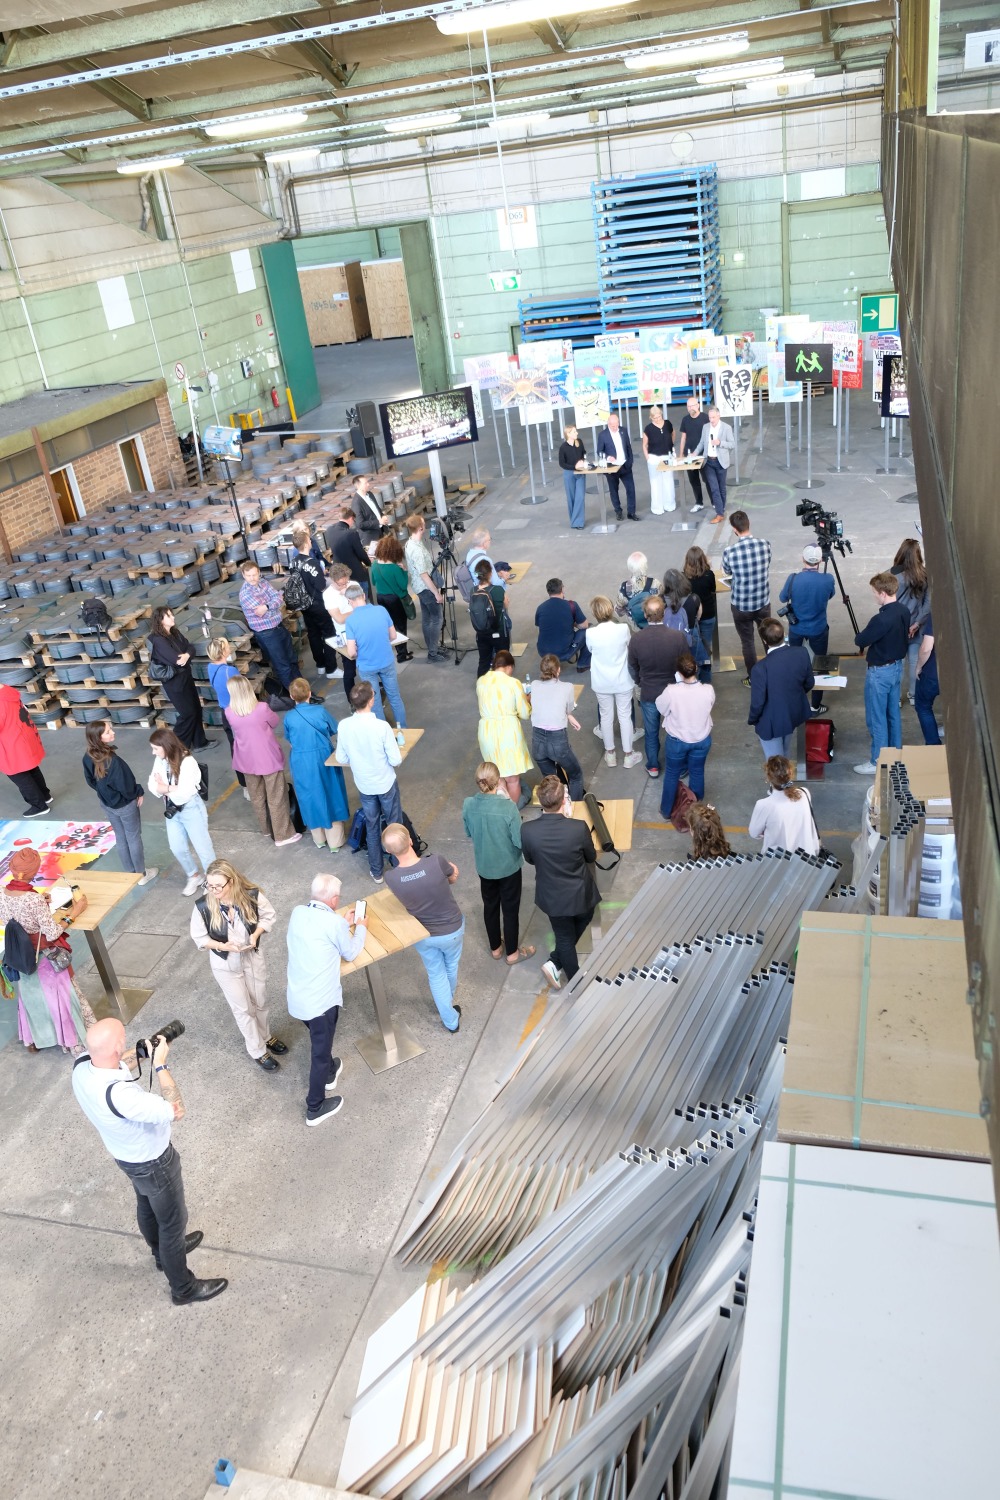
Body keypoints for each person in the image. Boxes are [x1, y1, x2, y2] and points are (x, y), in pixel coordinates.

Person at [71, 1017, 227, 1304]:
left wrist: (141, 1052)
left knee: (146, 1203)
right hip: (155, 1163)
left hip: (126, 1157)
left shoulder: (82, 1066)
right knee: (172, 1223)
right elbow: (176, 1109)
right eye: (125, 1039)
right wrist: (160, 1065)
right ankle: (184, 1288)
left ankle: (161, 1255)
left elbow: (117, 1061)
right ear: (117, 1047)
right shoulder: (124, 1096)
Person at [286, 872, 366, 1126]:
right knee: (318, 1055)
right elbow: (351, 952)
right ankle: (315, 1107)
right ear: (333, 899)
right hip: (320, 1004)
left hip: (297, 999)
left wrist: (342, 922)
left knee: (322, 1045)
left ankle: (331, 1071)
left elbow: (320, 932)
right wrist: (360, 927)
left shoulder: (298, 913)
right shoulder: (334, 925)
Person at [190, 859, 284, 1071]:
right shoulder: (203, 907)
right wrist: (223, 946)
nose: (213, 890)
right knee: (243, 1009)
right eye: (209, 885)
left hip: (251, 957)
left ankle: (266, 1036)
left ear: (231, 882)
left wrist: (256, 934)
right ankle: (257, 1050)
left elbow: (269, 916)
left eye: (218, 886)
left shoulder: (251, 896)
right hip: (225, 964)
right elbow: (200, 937)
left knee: (260, 1001)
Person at [0, 846, 92, 1052]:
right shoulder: (33, 899)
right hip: (42, 955)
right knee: (58, 994)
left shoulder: (2, 892)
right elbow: (51, 933)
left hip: (19, 955)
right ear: (34, 872)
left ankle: (35, 1039)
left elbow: (14, 915)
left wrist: (41, 903)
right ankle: (70, 1039)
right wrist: (75, 911)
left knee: (31, 997)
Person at [382, 823, 464, 1032]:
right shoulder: (436, 862)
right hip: (452, 928)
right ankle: (447, 1005)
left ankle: (450, 1019)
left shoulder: (391, 878)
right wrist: (451, 871)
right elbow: (452, 877)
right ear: (410, 840)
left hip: (422, 934)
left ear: (388, 851)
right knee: (451, 966)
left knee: (435, 973)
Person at [521, 774, 600, 988]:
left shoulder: (528, 831)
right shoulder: (577, 827)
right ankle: (576, 983)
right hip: (579, 892)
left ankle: (556, 960)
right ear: (564, 801)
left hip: (551, 896)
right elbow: (591, 857)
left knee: (564, 935)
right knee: (575, 928)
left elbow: (529, 859)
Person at [462, 762, 533, 965]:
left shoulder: (468, 804)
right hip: (508, 867)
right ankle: (512, 953)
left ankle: (495, 948)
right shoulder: (508, 807)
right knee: (510, 910)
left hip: (485, 867)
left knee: (490, 906)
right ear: (498, 781)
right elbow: (519, 841)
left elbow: (468, 832)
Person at [334, 679, 403, 884]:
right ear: (371, 701)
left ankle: (377, 871)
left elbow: (341, 758)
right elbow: (395, 760)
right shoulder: (381, 727)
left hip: (365, 786)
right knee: (394, 824)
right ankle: (399, 865)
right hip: (385, 784)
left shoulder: (345, 726)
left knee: (372, 827)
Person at [225, 675, 301, 847]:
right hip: (267, 758)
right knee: (276, 796)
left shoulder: (229, 712)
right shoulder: (261, 708)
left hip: (245, 759)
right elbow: (274, 722)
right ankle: (282, 834)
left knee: (257, 797)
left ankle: (266, 829)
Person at [82, 721, 157, 884]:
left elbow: (90, 780)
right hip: (125, 805)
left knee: (121, 837)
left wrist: (104, 793)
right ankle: (141, 875)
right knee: (133, 837)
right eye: (108, 732)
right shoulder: (113, 762)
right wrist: (138, 792)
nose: (113, 733)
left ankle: (130, 873)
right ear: (98, 737)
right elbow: (127, 786)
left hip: (107, 804)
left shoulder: (88, 756)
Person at [853, 571, 911, 775]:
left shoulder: (881, 620)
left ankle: (877, 759)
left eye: (874, 592)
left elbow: (860, 640)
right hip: (897, 668)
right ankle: (895, 754)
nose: (873, 595)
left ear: (883, 593)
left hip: (880, 673)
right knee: (892, 714)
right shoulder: (903, 611)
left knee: (877, 718)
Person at [147, 728, 216, 895]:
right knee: (177, 847)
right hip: (172, 810)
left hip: (191, 809)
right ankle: (193, 875)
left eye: (156, 748)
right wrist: (170, 788)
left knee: (203, 848)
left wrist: (164, 787)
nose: (153, 752)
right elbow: (151, 785)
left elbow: (185, 794)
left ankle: (213, 880)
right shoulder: (160, 760)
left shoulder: (188, 761)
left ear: (166, 746)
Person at [283, 678, 349, 851]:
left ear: (291, 696)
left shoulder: (289, 717)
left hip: (300, 760)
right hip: (323, 757)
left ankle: (318, 839)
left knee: (309, 796)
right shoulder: (320, 711)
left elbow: (290, 741)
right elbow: (335, 729)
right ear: (310, 694)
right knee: (330, 793)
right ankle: (335, 841)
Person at [627, 595, 687, 777]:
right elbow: (686, 665)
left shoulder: (637, 640)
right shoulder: (677, 638)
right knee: (675, 731)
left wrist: (640, 681)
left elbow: (632, 667)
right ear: (663, 613)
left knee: (651, 732)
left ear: (645, 615)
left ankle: (653, 765)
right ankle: (678, 766)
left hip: (649, 693)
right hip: (673, 693)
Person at [656, 652, 715, 820]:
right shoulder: (707, 690)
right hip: (701, 739)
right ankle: (696, 814)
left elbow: (661, 708)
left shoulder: (671, 691)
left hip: (677, 741)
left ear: (678, 673)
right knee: (697, 772)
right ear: (696, 669)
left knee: (672, 774)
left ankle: (667, 811)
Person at [779, 545, 836, 713]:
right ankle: (815, 705)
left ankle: (795, 700)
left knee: (795, 665)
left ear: (803, 560)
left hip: (797, 628)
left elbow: (783, 598)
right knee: (819, 665)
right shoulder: (828, 579)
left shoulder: (793, 578)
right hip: (818, 628)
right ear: (820, 560)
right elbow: (830, 595)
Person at [586, 595, 642, 768]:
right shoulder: (623, 629)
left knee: (606, 717)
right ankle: (628, 755)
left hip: (601, 681)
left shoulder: (590, 633)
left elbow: (590, 650)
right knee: (625, 716)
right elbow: (630, 646)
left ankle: (610, 754)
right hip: (622, 680)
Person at [342, 584, 408, 728]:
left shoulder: (351, 621)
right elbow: (393, 635)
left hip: (367, 666)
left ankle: (382, 733)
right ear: (364, 596)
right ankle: (403, 730)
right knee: (395, 698)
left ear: (350, 601)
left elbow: (352, 652)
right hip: (386, 661)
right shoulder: (381, 610)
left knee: (375, 701)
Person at [747, 618, 815, 759]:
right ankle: (786, 779)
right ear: (783, 634)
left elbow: (758, 703)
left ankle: (782, 781)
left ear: (765, 641)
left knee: (775, 763)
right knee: (785, 752)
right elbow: (809, 682)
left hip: (771, 721)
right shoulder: (801, 653)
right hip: (792, 713)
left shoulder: (760, 668)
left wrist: (753, 719)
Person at [147, 606, 211, 751]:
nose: (173, 617)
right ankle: (174, 747)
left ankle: (200, 742)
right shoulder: (158, 641)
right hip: (175, 683)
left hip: (186, 677)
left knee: (195, 709)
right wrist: (186, 656)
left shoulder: (174, 633)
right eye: (169, 616)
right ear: (160, 620)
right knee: (187, 714)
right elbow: (176, 660)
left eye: (171, 615)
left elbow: (190, 647)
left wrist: (187, 655)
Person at [476, 650, 533, 807]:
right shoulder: (513, 683)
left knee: (498, 775)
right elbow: (524, 713)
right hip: (507, 732)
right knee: (513, 779)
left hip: (486, 732)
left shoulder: (481, 681)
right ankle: (512, 812)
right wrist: (528, 701)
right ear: (509, 667)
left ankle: (500, 808)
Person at [722, 511, 772, 684]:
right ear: (748, 524)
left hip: (741, 606)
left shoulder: (730, 551)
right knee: (768, 637)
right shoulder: (765, 545)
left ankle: (753, 678)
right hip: (762, 602)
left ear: (735, 530)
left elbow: (727, 572)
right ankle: (774, 672)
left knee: (747, 642)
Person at [528, 654, 585, 802]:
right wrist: (569, 716)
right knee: (576, 775)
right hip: (558, 742)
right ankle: (574, 810)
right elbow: (569, 708)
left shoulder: (534, 685)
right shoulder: (567, 687)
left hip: (537, 744)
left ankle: (558, 806)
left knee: (553, 782)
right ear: (558, 670)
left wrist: (568, 717)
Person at [289, 521, 339, 677]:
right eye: (309, 540)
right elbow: (321, 585)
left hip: (304, 605)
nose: (311, 541)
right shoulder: (313, 563)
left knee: (314, 634)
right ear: (305, 543)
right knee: (329, 633)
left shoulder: (293, 562)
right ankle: (331, 668)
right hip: (318, 604)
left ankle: (320, 664)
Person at [238, 560, 299, 689]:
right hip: (267, 633)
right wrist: (271, 606)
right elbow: (264, 613)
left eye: (254, 574)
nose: (252, 578)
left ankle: (303, 690)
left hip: (279, 626)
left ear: (259, 572)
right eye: (249, 576)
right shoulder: (245, 594)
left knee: (292, 659)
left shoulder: (263, 582)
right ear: (243, 575)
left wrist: (266, 606)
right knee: (283, 665)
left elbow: (278, 599)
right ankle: (296, 696)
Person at [749, 755, 820, 855]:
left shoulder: (763, 805)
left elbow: (754, 833)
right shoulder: (804, 793)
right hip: (807, 859)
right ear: (791, 773)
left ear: (768, 778)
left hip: (778, 861)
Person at [0, 681, 52, 818]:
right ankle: (45, 795)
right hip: (23, 735)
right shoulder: (7, 691)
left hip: (10, 744)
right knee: (31, 768)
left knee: (18, 774)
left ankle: (39, 806)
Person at [891, 537, 931, 701]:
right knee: (914, 662)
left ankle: (896, 699)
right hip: (917, 625)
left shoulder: (892, 575)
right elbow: (928, 604)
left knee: (896, 664)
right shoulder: (925, 575)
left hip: (896, 626)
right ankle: (914, 695)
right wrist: (916, 623)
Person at [206, 638, 248, 794]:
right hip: (238, 712)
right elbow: (242, 690)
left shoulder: (210, 667)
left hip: (225, 713)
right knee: (247, 747)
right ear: (223, 652)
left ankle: (244, 785)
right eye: (226, 646)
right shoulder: (230, 671)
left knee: (234, 749)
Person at [404, 514, 447, 662]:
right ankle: (433, 652)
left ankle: (432, 648)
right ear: (420, 528)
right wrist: (436, 593)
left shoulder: (412, 543)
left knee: (427, 618)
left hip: (419, 587)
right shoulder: (416, 549)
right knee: (437, 619)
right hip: (426, 588)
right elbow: (423, 574)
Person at [371, 533, 415, 665]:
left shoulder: (374, 565)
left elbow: (373, 582)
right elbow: (402, 585)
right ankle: (402, 654)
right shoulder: (395, 568)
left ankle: (399, 650)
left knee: (390, 625)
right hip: (395, 600)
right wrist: (404, 570)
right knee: (400, 626)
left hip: (381, 598)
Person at [535, 577, 591, 671]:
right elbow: (584, 625)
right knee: (589, 629)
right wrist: (573, 623)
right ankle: (583, 664)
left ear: (548, 592)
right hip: (562, 653)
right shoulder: (571, 605)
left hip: (543, 652)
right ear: (562, 589)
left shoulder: (540, 608)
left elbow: (540, 626)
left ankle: (549, 662)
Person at [691, 405, 734, 520]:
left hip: (721, 462)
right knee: (714, 488)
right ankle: (719, 514)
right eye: (710, 418)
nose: (712, 420)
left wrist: (720, 442)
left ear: (719, 416)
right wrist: (694, 453)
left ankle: (721, 508)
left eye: (714, 417)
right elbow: (701, 443)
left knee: (721, 488)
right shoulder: (705, 427)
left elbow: (732, 444)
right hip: (708, 462)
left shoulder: (727, 428)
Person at [323, 563, 358, 700]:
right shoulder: (328, 595)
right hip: (345, 636)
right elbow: (339, 618)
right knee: (349, 671)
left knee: (370, 665)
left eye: (346, 582)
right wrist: (355, 609)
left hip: (361, 631)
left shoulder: (353, 585)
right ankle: (352, 701)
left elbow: (363, 605)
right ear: (332, 580)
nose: (344, 586)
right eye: (340, 584)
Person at [471, 558, 510, 678]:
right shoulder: (498, 590)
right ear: (490, 574)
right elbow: (506, 605)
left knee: (483, 660)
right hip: (498, 631)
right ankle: (502, 686)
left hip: (482, 633)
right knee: (503, 660)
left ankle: (482, 687)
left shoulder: (473, 590)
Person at [684, 546, 717, 682]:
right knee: (706, 648)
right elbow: (712, 590)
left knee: (693, 649)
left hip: (691, 618)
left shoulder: (684, 577)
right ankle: (706, 680)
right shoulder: (709, 575)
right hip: (708, 615)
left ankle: (693, 678)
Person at [596, 413, 638, 520]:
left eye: (617, 424)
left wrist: (630, 462)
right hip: (611, 468)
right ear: (608, 424)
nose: (615, 427)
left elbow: (628, 447)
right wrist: (608, 457)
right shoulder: (603, 435)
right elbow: (599, 451)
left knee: (631, 489)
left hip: (625, 465)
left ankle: (631, 512)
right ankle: (618, 511)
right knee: (614, 490)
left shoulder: (623, 431)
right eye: (613, 426)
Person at [324, 506, 371, 589]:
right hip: (355, 574)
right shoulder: (351, 534)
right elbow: (360, 553)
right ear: (351, 518)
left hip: (339, 574)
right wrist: (369, 563)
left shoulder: (329, 530)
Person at [677, 396, 710, 512]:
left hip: (703, 455)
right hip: (689, 456)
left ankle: (714, 502)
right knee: (694, 481)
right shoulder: (685, 420)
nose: (690, 408)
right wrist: (681, 454)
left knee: (708, 479)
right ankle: (699, 503)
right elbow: (683, 437)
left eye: (692, 405)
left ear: (698, 405)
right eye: (688, 406)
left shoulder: (706, 418)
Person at [914, 613, 942, 745]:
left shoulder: (939, 612)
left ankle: (933, 744)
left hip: (933, 673)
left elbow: (926, 647)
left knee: (923, 707)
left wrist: (918, 666)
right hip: (960, 675)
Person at [642, 404, 675, 514]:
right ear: (651, 417)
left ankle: (669, 504)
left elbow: (672, 434)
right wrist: (648, 458)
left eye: (659, 417)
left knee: (668, 481)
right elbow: (644, 445)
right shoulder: (648, 428)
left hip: (667, 456)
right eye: (655, 418)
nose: (657, 419)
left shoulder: (668, 424)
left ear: (661, 415)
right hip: (654, 457)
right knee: (655, 483)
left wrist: (671, 445)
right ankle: (657, 508)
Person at [615, 551, 657, 628]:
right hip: (653, 624)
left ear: (629, 567)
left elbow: (619, 612)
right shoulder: (655, 583)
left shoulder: (624, 587)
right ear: (645, 566)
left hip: (635, 626)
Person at [558, 423, 588, 529]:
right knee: (571, 498)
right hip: (569, 473)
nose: (577, 433)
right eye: (574, 431)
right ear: (568, 434)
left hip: (580, 473)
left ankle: (578, 522)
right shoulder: (563, 448)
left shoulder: (579, 442)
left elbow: (584, 453)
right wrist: (574, 466)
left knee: (580, 497)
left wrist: (582, 461)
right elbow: (562, 463)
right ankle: (574, 520)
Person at [352, 472, 392, 552]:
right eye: (365, 483)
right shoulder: (356, 503)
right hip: (370, 538)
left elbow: (376, 509)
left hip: (380, 532)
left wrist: (382, 515)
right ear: (358, 486)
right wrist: (378, 522)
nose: (368, 484)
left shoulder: (369, 494)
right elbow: (360, 524)